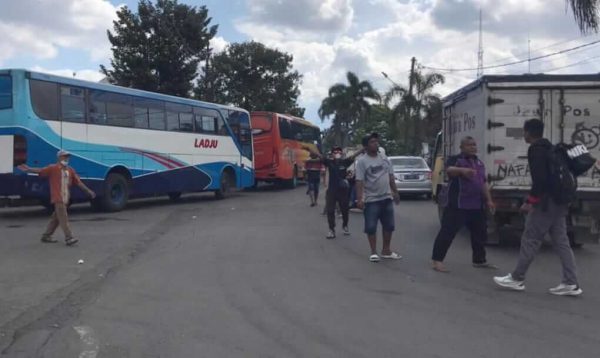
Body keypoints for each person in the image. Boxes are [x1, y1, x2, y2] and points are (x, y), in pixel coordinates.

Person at [494, 119, 582, 296]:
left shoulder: (536, 149)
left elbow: (540, 179)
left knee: (531, 238)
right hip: (560, 201)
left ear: (527, 132)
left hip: (546, 202)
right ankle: (571, 282)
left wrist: (530, 201)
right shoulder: (552, 148)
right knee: (561, 241)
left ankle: (517, 278)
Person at [430, 136, 496, 272]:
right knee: (447, 233)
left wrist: (489, 200)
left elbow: (483, 183)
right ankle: (437, 261)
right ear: (462, 147)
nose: (472, 147)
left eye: (474, 145)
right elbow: (449, 170)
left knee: (480, 233)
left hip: (476, 205)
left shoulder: (479, 163)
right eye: (469, 145)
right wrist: (462, 171)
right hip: (458, 205)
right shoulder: (456, 159)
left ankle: (479, 260)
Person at [18, 150, 96, 246]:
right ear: (59, 158)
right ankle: (69, 238)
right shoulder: (53, 168)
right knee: (63, 217)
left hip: (66, 198)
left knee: (56, 218)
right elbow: (41, 170)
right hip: (58, 197)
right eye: (64, 157)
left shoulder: (70, 170)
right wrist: (29, 169)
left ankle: (46, 236)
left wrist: (88, 191)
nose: (66, 159)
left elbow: (78, 182)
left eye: (67, 157)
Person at [355, 133, 402, 262]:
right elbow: (359, 181)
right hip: (371, 199)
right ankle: (373, 252)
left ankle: (386, 250)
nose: (375, 144)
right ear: (366, 146)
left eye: (376, 141)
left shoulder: (385, 158)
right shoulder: (362, 162)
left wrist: (395, 192)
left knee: (389, 226)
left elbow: (390, 176)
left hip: (386, 197)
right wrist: (360, 199)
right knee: (371, 227)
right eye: (372, 142)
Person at [304, 145, 363, 239]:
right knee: (330, 210)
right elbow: (319, 155)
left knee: (344, 210)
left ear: (342, 153)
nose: (337, 153)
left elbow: (355, 155)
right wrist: (309, 149)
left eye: (339, 152)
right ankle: (331, 230)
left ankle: (345, 225)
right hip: (331, 190)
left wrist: (364, 148)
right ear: (332, 154)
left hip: (343, 191)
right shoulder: (329, 162)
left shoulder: (345, 162)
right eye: (335, 152)